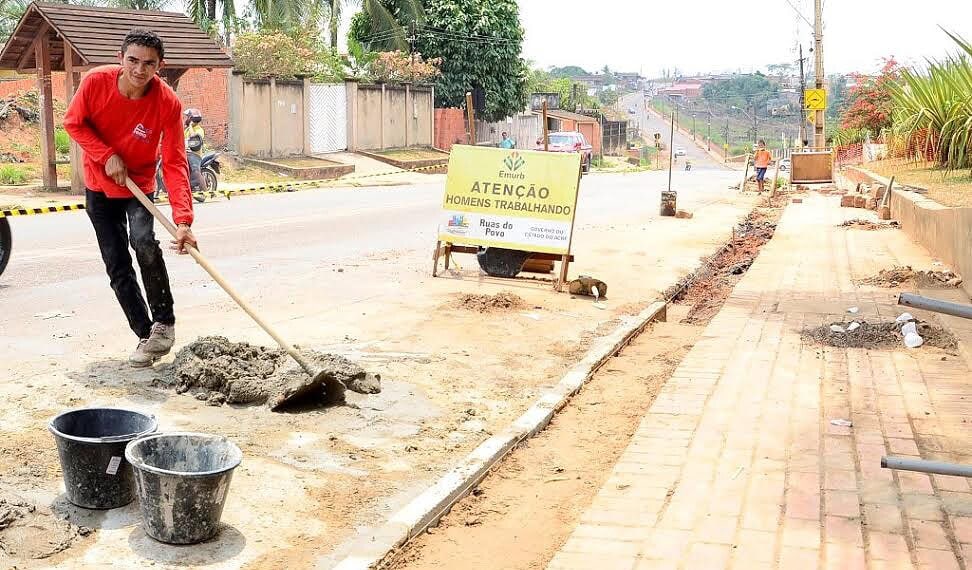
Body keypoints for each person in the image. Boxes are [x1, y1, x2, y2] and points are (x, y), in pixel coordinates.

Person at [63, 28, 197, 368]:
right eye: (133, 60)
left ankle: (164, 323)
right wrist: (105, 154)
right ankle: (146, 334)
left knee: (143, 242)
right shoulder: (95, 83)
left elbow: (175, 161)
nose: (139, 70)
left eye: (148, 63)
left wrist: (183, 220)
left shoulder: (167, 102)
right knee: (117, 263)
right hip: (99, 184)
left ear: (160, 66)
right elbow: (74, 124)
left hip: (139, 183)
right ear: (120, 58)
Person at [183, 108, 205, 191]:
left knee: (195, 171)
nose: (186, 119)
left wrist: (191, 126)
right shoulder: (187, 130)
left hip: (194, 155)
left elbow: (193, 137)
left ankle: (204, 191)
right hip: (186, 153)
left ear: (191, 118)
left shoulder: (199, 130)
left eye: (187, 117)